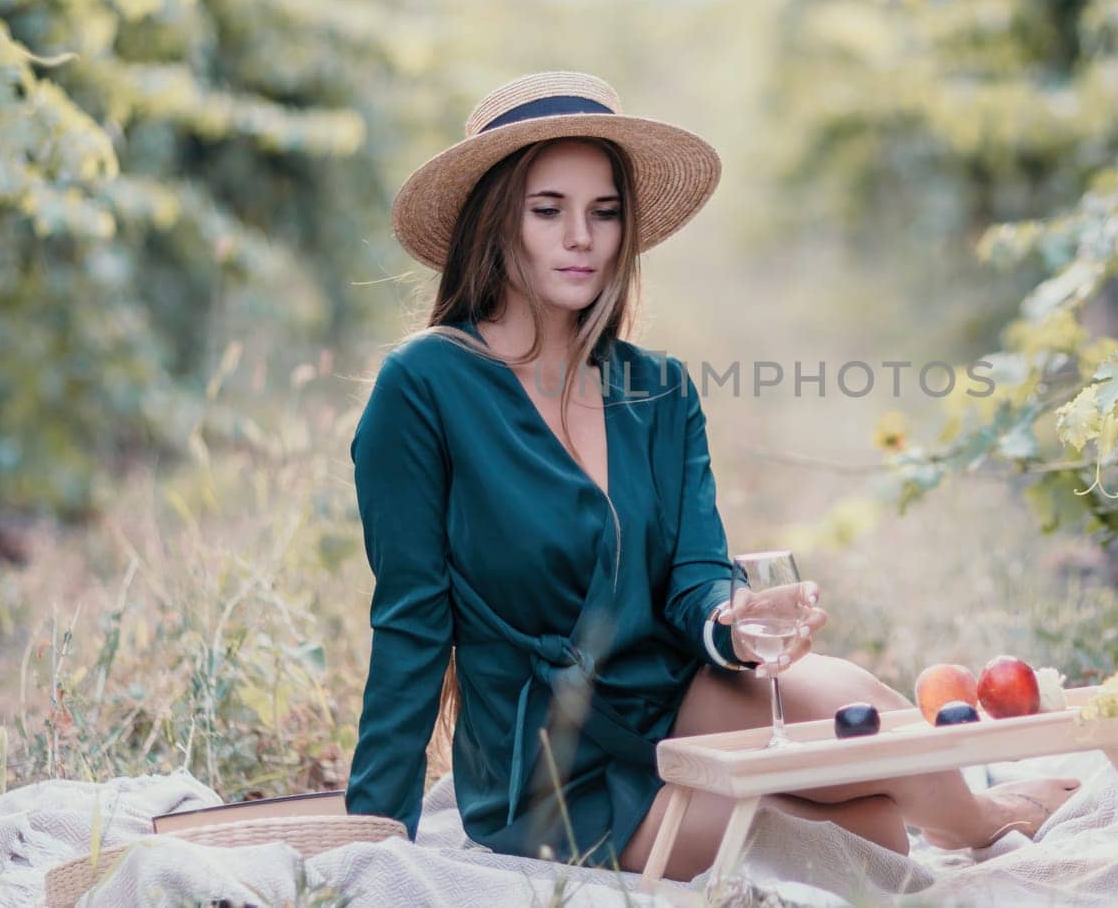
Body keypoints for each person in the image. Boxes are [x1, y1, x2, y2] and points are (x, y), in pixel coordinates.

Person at [344, 72, 1080, 881]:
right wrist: (373, 834)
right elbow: (410, 623)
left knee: (864, 715)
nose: (581, 237)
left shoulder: (657, 389)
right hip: (556, 769)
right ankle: (983, 809)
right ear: (496, 222)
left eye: (605, 211)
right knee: (870, 835)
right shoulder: (423, 385)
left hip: (675, 697)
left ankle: (981, 819)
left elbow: (696, 572)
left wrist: (735, 613)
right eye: (548, 209)